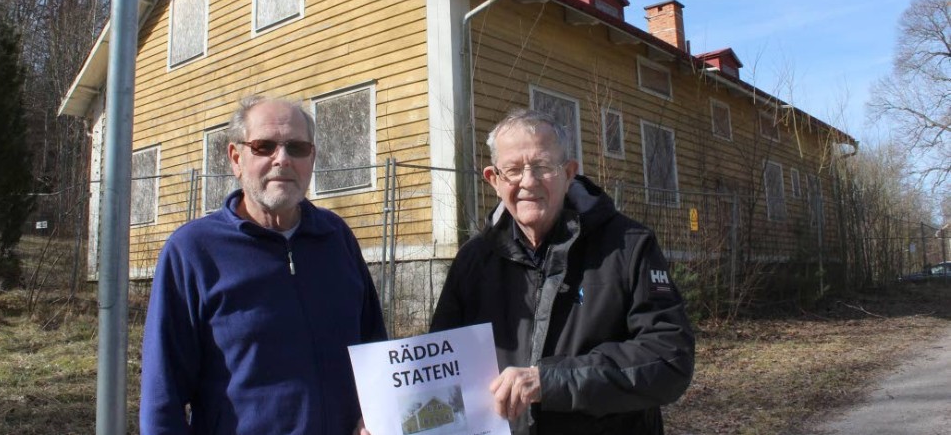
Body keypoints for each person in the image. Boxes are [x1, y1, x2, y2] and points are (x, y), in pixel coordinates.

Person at [430, 109, 695, 434]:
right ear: (494, 180)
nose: (528, 182)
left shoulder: (629, 247)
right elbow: (439, 368)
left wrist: (550, 382)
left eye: (542, 167)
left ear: (569, 173)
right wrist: (390, 418)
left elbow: (669, 360)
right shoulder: (472, 262)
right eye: (513, 170)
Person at [140, 96, 386, 435]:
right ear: (236, 158)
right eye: (264, 146)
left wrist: (376, 413)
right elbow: (161, 399)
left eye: (297, 148)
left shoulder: (336, 237)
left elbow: (375, 351)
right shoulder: (193, 252)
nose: (282, 159)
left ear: (312, 157)